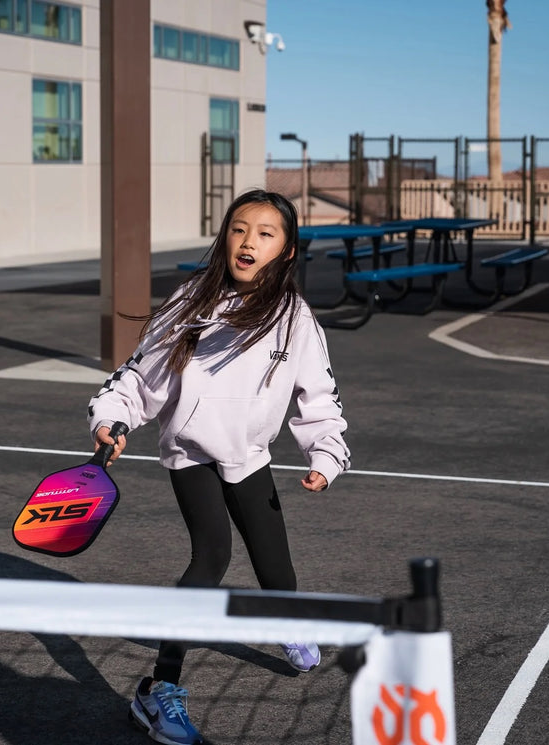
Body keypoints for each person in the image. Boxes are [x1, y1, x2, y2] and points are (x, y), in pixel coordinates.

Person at [87, 189, 350, 745]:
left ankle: (288, 621)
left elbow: (318, 396)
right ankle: (158, 690)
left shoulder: (295, 319)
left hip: (250, 455)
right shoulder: (190, 303)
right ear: (224, 236)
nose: (248, 240)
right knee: (212, 556)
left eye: (265, 232)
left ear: (286, 249)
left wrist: (325, 453)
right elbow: (138, 378)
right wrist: (113, 418)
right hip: (192, 453)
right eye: (239, 228)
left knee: (276, 569)